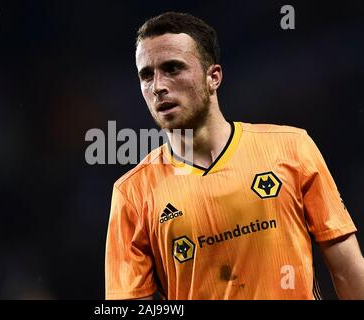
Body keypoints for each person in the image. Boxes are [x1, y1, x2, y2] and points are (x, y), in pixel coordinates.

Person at [104, 11, 364, 300]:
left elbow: (348, 270)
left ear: (213, 77)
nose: (158, 87)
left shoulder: (291, 148)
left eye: (173, 68)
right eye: (146, 75)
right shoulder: (132, 194)